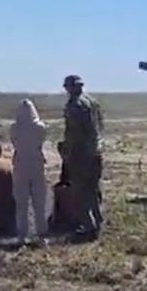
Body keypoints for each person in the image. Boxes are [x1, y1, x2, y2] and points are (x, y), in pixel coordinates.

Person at [61, 75, 105, 240]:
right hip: (96, 151)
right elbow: (100, 125)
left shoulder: (75, 105)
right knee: (93, 189)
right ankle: (97, 221)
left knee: (80, 191)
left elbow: (74, 133)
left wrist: (67, 150)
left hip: (81, 154)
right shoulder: (93, 102)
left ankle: (89, 227)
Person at [10, 99, 49, 243]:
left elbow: (14, 141)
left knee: (21, 202)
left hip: (21, 164)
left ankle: (22, 235)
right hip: (36, 164)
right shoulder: (40, 127)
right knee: (39, 202)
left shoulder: (14, 128)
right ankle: (42, 234)